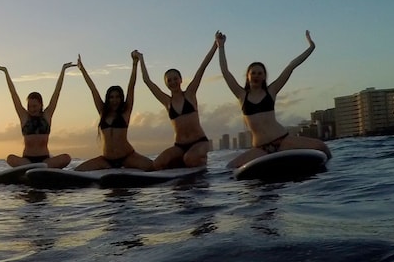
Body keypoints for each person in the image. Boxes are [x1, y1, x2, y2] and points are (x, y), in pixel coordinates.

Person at [217, 30, 332, 168]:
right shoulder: (241, 95)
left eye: (260, 73)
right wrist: (221, 46)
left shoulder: (271, 91)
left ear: (264, 76)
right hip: (260, 148)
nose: (256, 75)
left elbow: (291, 66)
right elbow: (225, 72)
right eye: (253, 73)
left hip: (283, 140)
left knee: (322, 147)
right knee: (230, 167)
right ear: (248, 76)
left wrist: (311, 47)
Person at [137, 41, 217, 169]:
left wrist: (215, 45)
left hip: (199, 142)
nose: (173, 82)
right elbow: (147, 81)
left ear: (181, 80)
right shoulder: (167, 101)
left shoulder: (190, 94)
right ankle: (181, 161)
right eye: (169, 80)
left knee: (189, 159)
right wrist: (140, 59)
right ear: (166, 83)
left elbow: (202, 67)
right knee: (158, 164)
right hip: (179, 146)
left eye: (175, 79)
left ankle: (200, 160)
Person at [74, 53, 153, 171]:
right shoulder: (102, 111)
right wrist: (82, 70)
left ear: (121, 98)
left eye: (117, 97)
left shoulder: (126, 111)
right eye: (111, 97)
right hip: (106, 160)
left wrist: (135, 64)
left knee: (154, 166)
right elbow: (93, 89)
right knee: (77, 171)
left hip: (127, 157)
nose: (114, 100)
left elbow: (131, 86)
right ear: (108, 98)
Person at [0, 62, 74, 168]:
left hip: (45, 159)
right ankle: (34, 168)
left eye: (35, 106)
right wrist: (6, 73)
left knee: (66, 157)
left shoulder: (47, 115)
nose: (32, 109)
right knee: (10, 158)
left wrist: (63, 70)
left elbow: (57, 92)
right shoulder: (24, 116)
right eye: (30, 106)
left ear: (41, 105)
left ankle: (40, 168)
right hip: (26, 161)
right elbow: (14, 94)